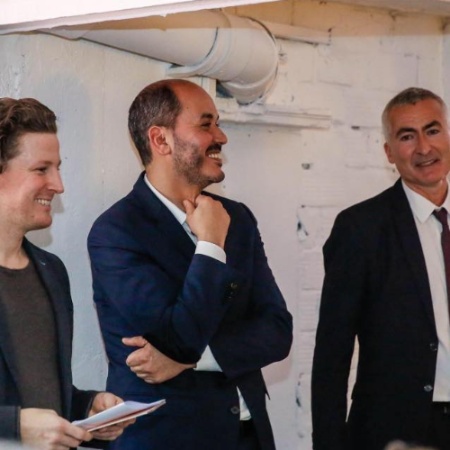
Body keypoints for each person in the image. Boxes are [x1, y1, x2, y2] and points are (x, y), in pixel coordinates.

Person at [87, 78, 293, 450]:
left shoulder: (237, 218)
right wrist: (211, 244)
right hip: (167, 440)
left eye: (218, 124)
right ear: (160, 140)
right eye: (205, 124)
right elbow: (177, 338)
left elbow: (278, 331)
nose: (221, 137)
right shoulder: (116, 232)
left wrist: (192, 361)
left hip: (248, 438)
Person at [311, 86, 450, 450]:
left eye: (432, 130)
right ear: (389, 152)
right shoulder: (360, 229)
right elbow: (332, 356)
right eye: (407, 136)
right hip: (395, 429)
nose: (424, 148)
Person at [0, 97, 134, 449]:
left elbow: (42, 397)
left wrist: (87, 407)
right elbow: (22, 421)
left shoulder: (52, 272)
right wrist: (13, 427)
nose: (58, 185)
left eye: (57, 168)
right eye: (41, 169)